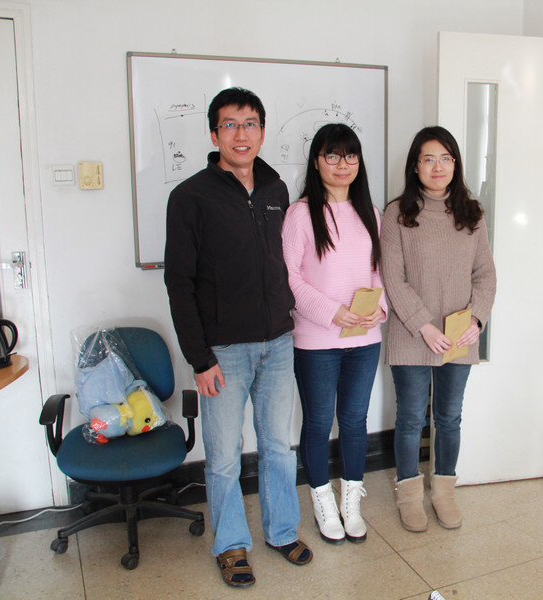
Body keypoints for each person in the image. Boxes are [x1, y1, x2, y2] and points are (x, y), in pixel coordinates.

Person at [164, 87, 312, 588]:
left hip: (278, 343)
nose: (241, 134)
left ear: (262, 132)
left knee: (278, 447)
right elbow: (179, 283)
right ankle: (230, 545)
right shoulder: (190, 197)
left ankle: (281, 531)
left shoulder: (276, 190)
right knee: (225, 456)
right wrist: (199, 358)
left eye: (250, 124)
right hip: (222, 351)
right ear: (214, 135)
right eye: (230, 124)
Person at [380, 126, 497, 533]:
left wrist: (477, 318)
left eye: (446, 158)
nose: (438, 167)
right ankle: (409, 496)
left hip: (459, 336)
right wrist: (423, 326)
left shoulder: (472, 214)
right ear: (415, 166)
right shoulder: (396, 213)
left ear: (456, 165)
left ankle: (444, 493)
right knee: (411, 418)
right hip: (412, 335)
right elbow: (392, 277)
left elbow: (485, 274)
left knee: (449, 417)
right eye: (428, 159)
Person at [281, 123, 386, 545]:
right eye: (332, 155)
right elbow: (289, 278)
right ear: (316, 162)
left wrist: (379, 308)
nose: (343, 164)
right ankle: (323, 500)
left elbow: (380, 271)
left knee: (356, 421)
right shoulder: (300, 213)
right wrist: (333, 313)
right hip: (317, 341)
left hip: (364, 340)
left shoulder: (370, 212)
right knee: (320, 422)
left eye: (350, 156)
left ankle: (351, 502)